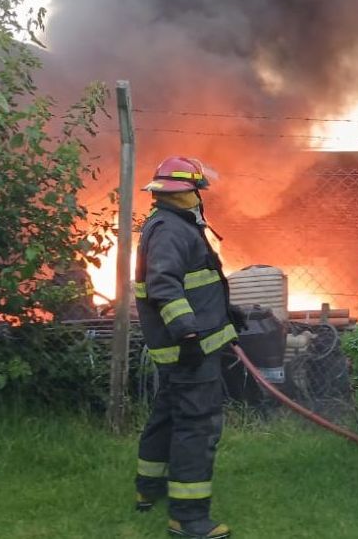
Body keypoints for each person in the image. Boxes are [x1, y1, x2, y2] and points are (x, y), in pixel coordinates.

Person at [134, 156, 246, 539]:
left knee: (168, 415)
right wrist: (187, 333)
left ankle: (148, 488)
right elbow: (164, 285)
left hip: (183, 347)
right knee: (196, 426)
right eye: (196, 191)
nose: (199, 197)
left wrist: (228, 314)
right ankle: (189, 517)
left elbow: (199, 283)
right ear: (186, 192)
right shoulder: (171, 231)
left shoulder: (172, 224)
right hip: (187, 349)